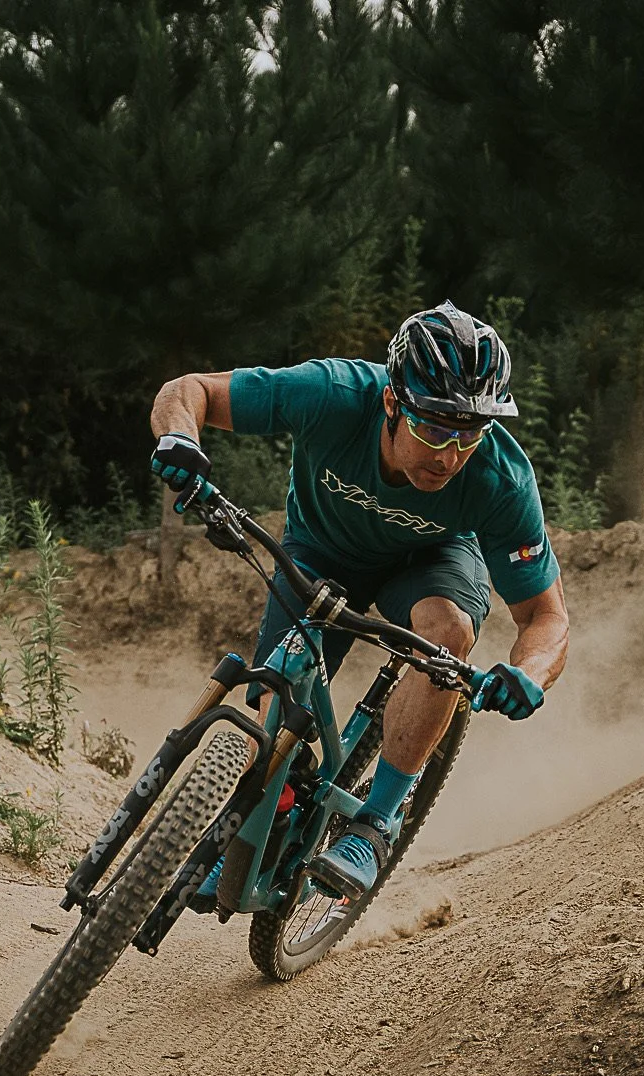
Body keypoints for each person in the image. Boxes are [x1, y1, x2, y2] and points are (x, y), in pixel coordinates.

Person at [146, 303, 571, 897]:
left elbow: (545, 616)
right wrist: (180, 440)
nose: (449, 456)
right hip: (321, 552)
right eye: (433, 429)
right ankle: (259, 821)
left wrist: (528, 672)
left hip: (429, 563)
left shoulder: (501, 479)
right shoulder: (334, 394)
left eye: (468, 434)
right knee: (271, 703)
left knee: (445, 637)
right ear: (393, 401)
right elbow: (188, 391)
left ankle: (375, 824)